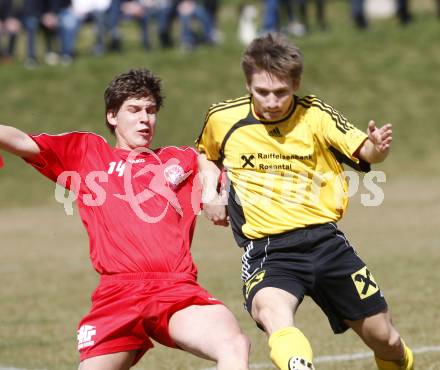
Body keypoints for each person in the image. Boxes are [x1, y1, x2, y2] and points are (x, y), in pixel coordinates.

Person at [0, 68, 250, 370]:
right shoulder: (86, 154)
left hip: (174, 290)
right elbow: (21, 141)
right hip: (117, 295)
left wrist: (214, 193)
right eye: (134, 110)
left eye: (151, 110)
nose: (145, 118)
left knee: (234, 345)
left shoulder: (179, 161)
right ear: (112, 117)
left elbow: (213, 160)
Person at [196, 34, 414, 370]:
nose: (271, 101)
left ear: (295, 84)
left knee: (384, 338)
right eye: (262, 92)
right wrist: (211, 193)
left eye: (281, 92)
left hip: (326, 242)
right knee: (272, 313)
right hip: (269, 250)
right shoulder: (222, 118)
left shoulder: (315, 114)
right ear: (247, 84)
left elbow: (363, 151)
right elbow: (206, 156)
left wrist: (377, 149)